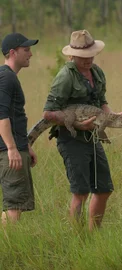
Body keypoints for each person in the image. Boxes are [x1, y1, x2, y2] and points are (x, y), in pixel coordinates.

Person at [43, 30, 122, 230]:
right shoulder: (65, 77)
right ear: (72, 55)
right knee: (80, 192)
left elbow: (102, 102)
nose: (88, 59)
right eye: (83, 56)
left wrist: (111, 115)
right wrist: (79, 125)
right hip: (72, 138)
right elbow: (49, 113)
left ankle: (93, 235)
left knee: (104, 189)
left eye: (91, 55)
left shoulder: (97, 72)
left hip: (92, 137)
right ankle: (78, 240)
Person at [0, 33, 38, 224]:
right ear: (13, 53)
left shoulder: (8, 77)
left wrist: (25, 146)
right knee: (13, 207)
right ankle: (6, 249)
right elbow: (1, 115)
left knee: (16, 205)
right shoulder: (6, 78)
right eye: (26, 50)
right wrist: (12, 148)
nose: (30, 54)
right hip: (9, 152)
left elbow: (15, 118)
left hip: (15, 148)